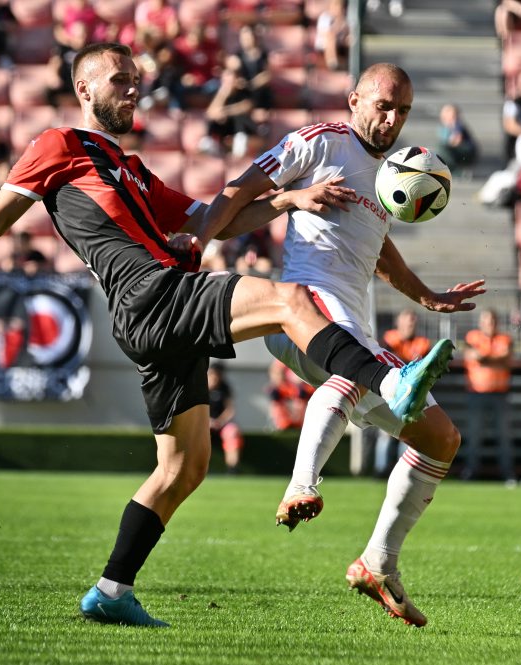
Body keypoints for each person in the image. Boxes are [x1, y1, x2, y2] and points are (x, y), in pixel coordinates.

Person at [0, 43, 457, 628]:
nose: (134, 89)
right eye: (120, 80)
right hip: (152, 294)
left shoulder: (134, 171)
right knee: (289, 299)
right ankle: (389, 383)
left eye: (137, 80)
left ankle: (111, 591)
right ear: (85, 90)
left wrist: (291, 199)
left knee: (185, 467)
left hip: (158, 316)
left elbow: (213, 216)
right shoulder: (59, 145)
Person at [204, 62, 485, 627]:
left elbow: (379, 250)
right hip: (304, 307)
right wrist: (199, 238)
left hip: (352, 322)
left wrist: (426, 296)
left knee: (440, 438)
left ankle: (378, 561)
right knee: (355, 374)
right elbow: (238, 191)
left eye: (402, 111)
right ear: (353, 98)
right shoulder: (316, 142)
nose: (391, 120)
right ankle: (301, 485)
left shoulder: (394, 174)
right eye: (383, 105)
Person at [373, 308, 432, 477]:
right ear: (398, 323)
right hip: (389, 392)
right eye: (407, 321)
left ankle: (403, 470)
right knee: (385, 433)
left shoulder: (422, 342)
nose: (410, 325)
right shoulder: (389, 339)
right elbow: (385, 360)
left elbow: (426, 367)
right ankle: (380, 469)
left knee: (407, 435)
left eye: (413, 321)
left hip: (412, 395)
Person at [461, 309, 516, 485]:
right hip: (477, 392)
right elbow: (473, 356)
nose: (489, 324)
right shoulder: (472, 337)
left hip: (500, 392)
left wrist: (486, 359)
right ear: (480, 322)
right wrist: (495, 359)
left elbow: (506, 359)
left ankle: (507, 472)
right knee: (475, 434)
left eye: (492, 320)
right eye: (486, 320)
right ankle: (471, 470)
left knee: (504, 436)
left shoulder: (505, 338)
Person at [206, 363, 243, 474]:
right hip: (204, 423)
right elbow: (197, 410)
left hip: (222, 424)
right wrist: (208, 421)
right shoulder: (200, 388)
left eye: (217, 375)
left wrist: (220, 422)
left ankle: (232, 468)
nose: (214, 378)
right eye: (212, 375)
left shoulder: (225, 388)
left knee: (233, 432)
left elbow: (230, 409)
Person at [266, 360, 313, 431]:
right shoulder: (283, 356)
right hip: (287, 389)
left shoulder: (303, 358)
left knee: (301, 397)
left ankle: (300, 423)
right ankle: (283, 423)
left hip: (300, 389)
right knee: (275, 397)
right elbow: (275, 372)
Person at [435, 103, 478, 172]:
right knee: (441, 148)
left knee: (442, 147)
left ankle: (454, 170)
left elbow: (457, 141)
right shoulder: (444, 127)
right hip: (457, 152)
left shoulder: (457, 126)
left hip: (466, 153)